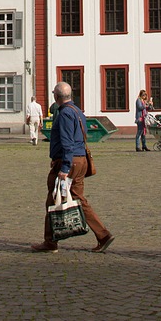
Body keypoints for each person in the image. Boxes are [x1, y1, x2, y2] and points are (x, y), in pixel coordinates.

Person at [32, 81, 114, 254]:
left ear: (56, 96)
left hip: (69, 162)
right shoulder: (77, 112)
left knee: (52, 199)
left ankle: (50, 242)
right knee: (78, 198)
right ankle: (103, 235)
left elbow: (68, 142)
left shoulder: (64, 115)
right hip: (80, 159)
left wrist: (64, 168)